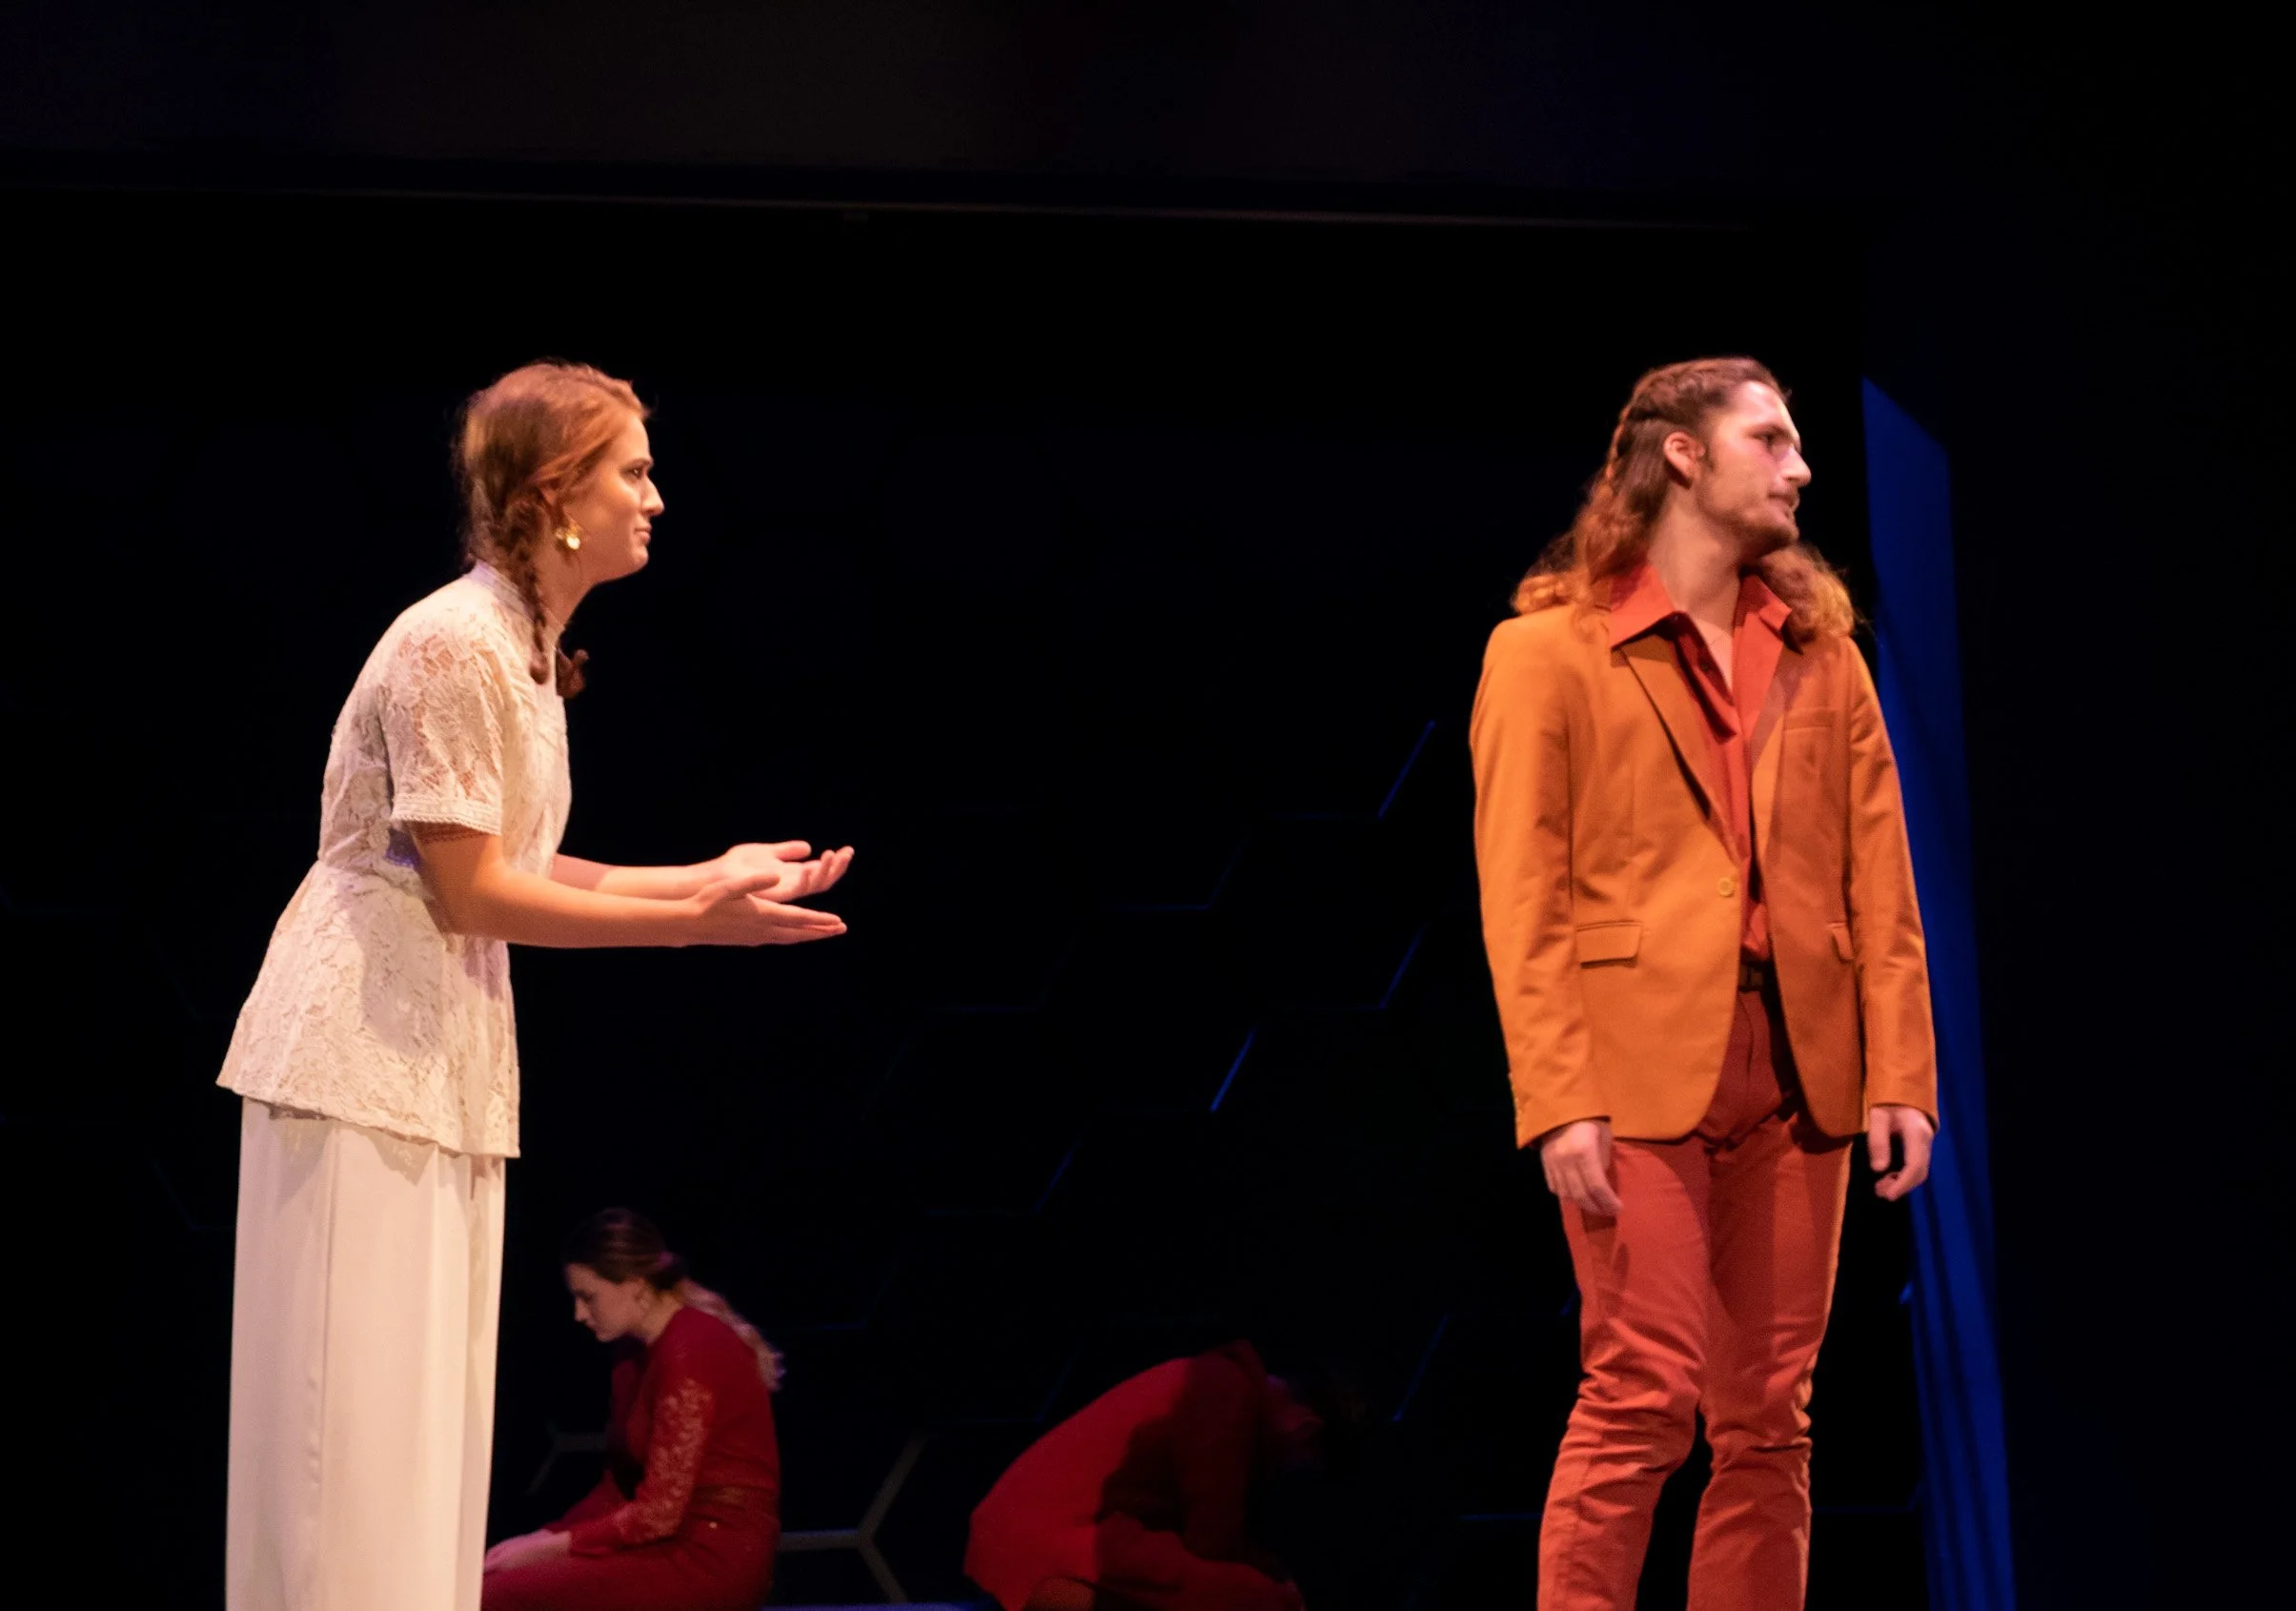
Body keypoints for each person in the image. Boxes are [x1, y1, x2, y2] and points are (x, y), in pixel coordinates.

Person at [218, 361, 852, 1611]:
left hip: (440, 1063)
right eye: (633, 471)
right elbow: (471, 892)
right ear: (557, 494)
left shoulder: (523, 649)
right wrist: (692, 927)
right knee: (351, 1438)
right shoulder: (454, 641)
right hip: (360, 1056)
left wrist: (705, 883)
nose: (655, 498)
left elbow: (516, 862)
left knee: (425, 1433)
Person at [1470, 357, 1937, 1608]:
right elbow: (1522, 895)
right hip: (1633, 1074)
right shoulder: (1545, 654)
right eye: (1770, 440)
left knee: (1770, 1417)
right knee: (1640, 1395)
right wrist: (1559, 1095)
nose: (1801, 467)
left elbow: (1880, 883)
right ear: (1681, 455)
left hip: (1799, 1070)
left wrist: (1901, 1071)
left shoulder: (1821, 656)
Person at [482, 1210, 783, 1610]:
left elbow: (659, 1513)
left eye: (588, 1297)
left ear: (635, 1286)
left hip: (712, 1553)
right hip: (666, 1541)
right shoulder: (631, 1353)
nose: (579, 1314)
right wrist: (542, 1537)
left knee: (498, 1596)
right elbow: (618, 1488)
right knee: (494, 1580)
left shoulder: (691, 1347)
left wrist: (548, 1549)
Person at [965, 1342, 1351, 1611]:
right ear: (1305, 1428)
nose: (1285, 1470)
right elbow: (1212, 1539)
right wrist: (1279, 1582)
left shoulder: (1214, 1379)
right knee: (1260, 1597)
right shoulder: (1225, 1390)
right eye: (1300, 1463)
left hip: (1029, 1536)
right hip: (1050, 1545)